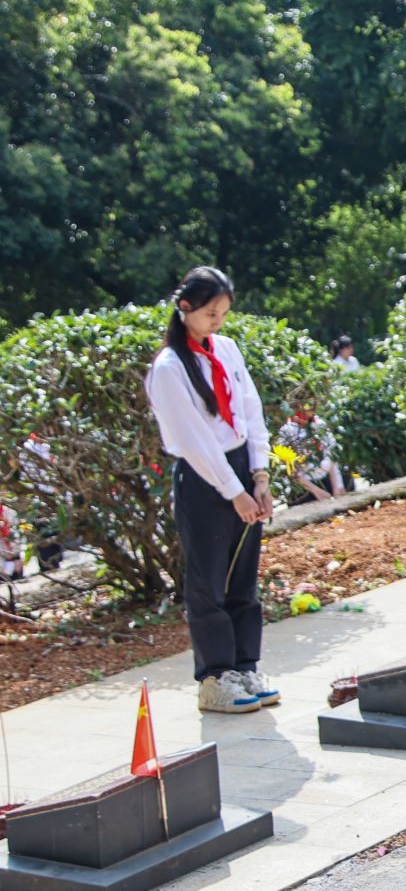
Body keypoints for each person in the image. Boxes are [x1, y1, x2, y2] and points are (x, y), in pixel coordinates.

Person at [143, 267, 278, 715]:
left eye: (223, 312)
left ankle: (245, 663)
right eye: (209, 313)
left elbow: (251, 409)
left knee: (243, 576)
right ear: (184, 309)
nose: (217, 321)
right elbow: (194, 437)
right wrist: (232, 490)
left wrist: (259, 475)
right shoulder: (169, 367)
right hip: (205, 477)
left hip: (241, 464)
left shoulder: (226, 349)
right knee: (208, 580)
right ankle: (215, 674)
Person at [275, 410, 347, 501]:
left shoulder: (320, 424)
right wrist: (316, 491)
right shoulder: (287, 430)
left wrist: (337, 488)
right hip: (304, 486)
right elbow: (288, 471)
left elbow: (332, 456)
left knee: (347, 482)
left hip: (326, 479)